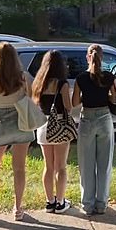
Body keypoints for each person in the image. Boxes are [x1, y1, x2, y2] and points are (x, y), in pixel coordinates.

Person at [0, 42, 35, 222]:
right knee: (19, 168)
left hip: (0, 121)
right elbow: (31, 96)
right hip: (21, 122)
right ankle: (18, 209)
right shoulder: (24, 77)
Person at [72, 44, 116, 216]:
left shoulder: (81, 78)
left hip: (87, 119)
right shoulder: (109, 77)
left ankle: (87, 204)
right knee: (104, 163)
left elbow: (75, 102)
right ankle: (101, 203)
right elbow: (114, 99)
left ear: (87, 57)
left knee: (86, 163)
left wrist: (86, 95)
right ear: (102, 57)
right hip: (105, 118)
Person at [32, 51, 73, 214]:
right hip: (59, 126)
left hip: (43, 126)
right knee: (60, 167)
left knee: (48, 167)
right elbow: (68, 107)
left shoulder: (38, 82)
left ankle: (50, 202)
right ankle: (61, 202)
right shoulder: (62, 84)